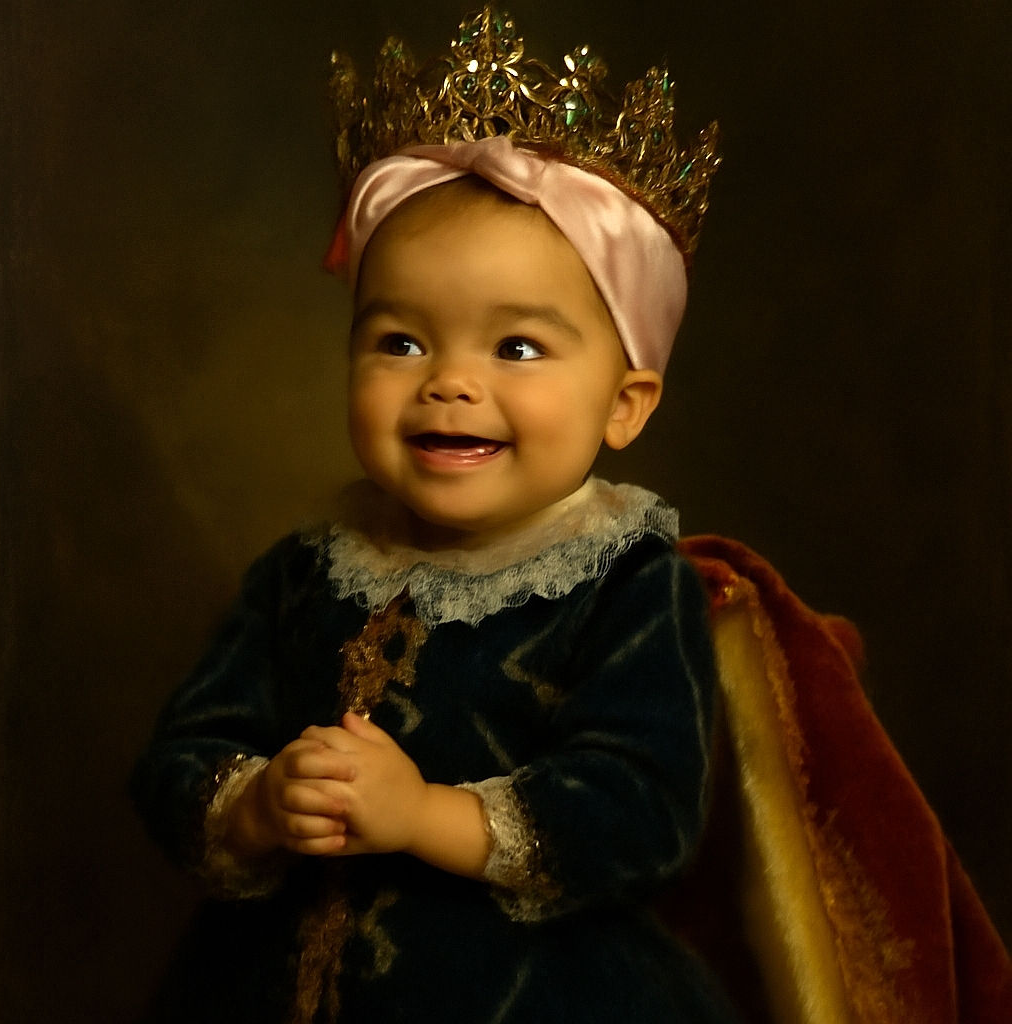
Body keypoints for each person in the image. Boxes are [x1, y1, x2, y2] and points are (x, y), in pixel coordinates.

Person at [131, 8, 736, 1023]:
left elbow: (642, 811)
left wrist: (424, 815)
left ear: (625, 403)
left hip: (534, 989)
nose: (449, 383)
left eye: (517, 348)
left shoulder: (627, 584)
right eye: (402, 342)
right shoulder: (301, 573)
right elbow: (180, 758)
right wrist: (261, 803)